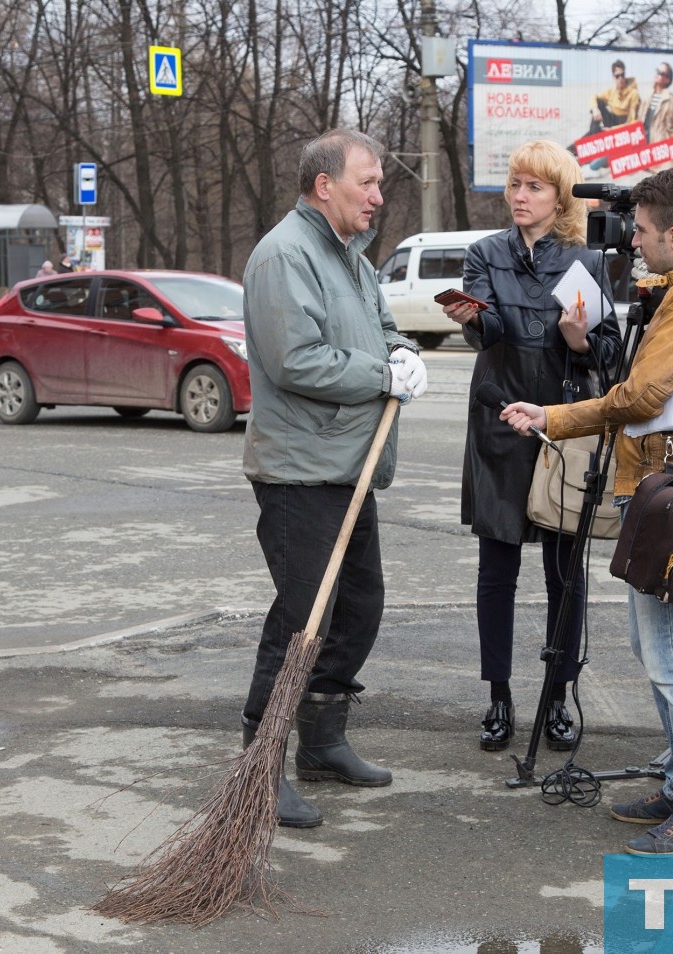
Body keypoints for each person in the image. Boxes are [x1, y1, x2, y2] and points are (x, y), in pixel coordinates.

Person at [501, 164, 673, 854]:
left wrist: (552, 414)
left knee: (669, 656)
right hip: (663, 488)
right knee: (655, 646)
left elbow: (639, 396)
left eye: (639, 232)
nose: (632, 242)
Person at [240, 128, 428, 828]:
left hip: (349, 469)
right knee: (301, 622)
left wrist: (403, 353)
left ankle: (322, 742)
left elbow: (381, 327)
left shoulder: (349, 256)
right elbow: (297, 361)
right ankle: (261, 764)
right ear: (326, 186)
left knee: (357, 608)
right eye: (368, 182)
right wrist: (382, 375)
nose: (379, 196)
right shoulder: (284, 256)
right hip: (300, 471)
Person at [440, 139, 620, 754]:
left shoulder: (587, 261)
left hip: (564, 426)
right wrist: (470, 316)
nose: (520, 196)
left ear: (560, 195)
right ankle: (498, 696)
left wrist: (577, 339)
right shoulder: (484, 252)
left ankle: (560, 694)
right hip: (498, 423)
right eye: (515, 184)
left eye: (535, 186)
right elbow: (486, 333)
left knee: (564, 574)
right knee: (498, 570)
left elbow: (612, 356)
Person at [569, 60, 640, 171]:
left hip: (622, 126)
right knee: (598, 104)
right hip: (612, 120)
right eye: (617, 76)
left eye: (623, 75)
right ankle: (570, 153)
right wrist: (595, 109)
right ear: (614, 77)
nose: (621, 78)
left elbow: (633, 123)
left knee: (595, 133)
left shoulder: (633, 93)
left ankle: (574, 154)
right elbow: (594, 97)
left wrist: (612, 129)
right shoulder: (612, 91)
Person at [638, 62, 673, 144]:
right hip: (643, 143)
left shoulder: (670, 100)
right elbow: (639, 120)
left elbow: (671, 129)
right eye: (657, 71)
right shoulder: (647, 96)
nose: (657, 74)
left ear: (667, 80)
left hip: (658, 145)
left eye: (661, 73)